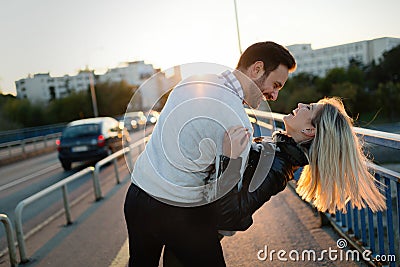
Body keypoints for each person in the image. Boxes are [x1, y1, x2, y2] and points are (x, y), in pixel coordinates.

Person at [123, 41, 296, 267]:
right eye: (275, 85)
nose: (274, 95)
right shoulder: (237, 121)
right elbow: (226, 199)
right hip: (178, 213)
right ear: (257, 69)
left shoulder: (193, 82)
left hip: (137, 197)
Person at [216, 97, 386, 233]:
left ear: (309, 131)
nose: (300, 104)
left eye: (309, 108)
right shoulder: (277, 151)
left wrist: (229, 158)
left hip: (199, 235)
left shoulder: (278, 167)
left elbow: (230, 216)